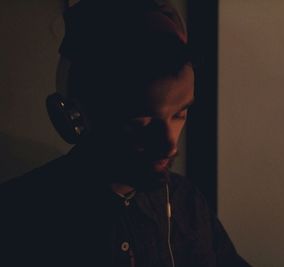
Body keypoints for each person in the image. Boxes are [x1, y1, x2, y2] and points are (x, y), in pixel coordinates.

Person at [0, 1, 251, 266]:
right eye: (141, 121)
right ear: (75, 117)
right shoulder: (18, 215)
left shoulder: (188, 203)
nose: (169, 143)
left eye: (180, 114)